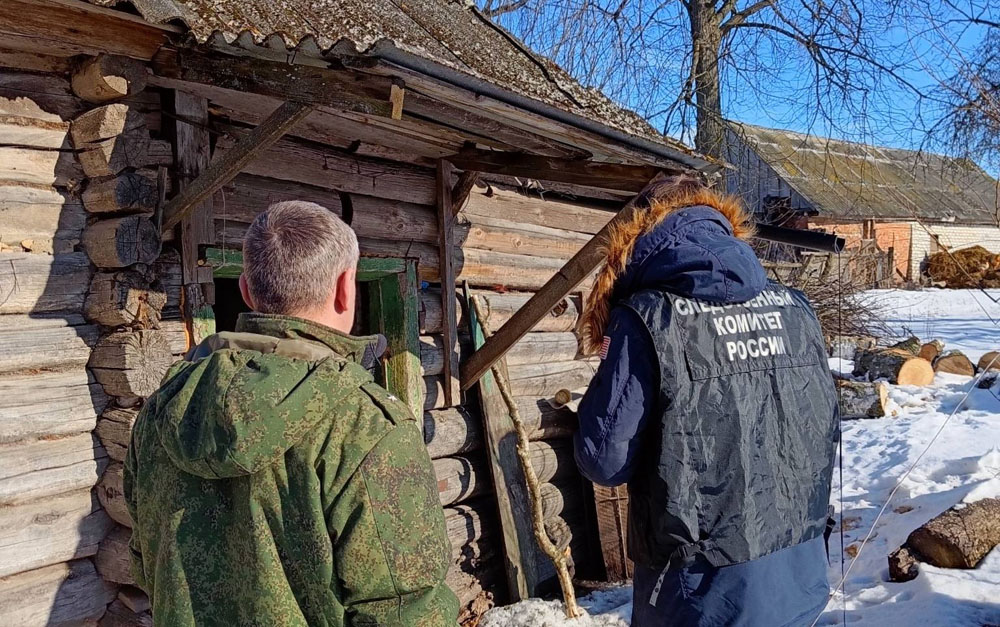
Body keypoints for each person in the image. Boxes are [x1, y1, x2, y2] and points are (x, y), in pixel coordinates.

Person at [124, 201, 459, 626]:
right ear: (345, 287)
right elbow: (407, 614)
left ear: (246, 290)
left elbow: (145, 561)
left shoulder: (162, 410)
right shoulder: (364, 424)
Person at [574, 175, 838, 627]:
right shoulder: (797, 308)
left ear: (638, 230)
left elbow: (604, 459)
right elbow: (822, 423)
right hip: (799, 570)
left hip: (700, 589)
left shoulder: (648, 317)